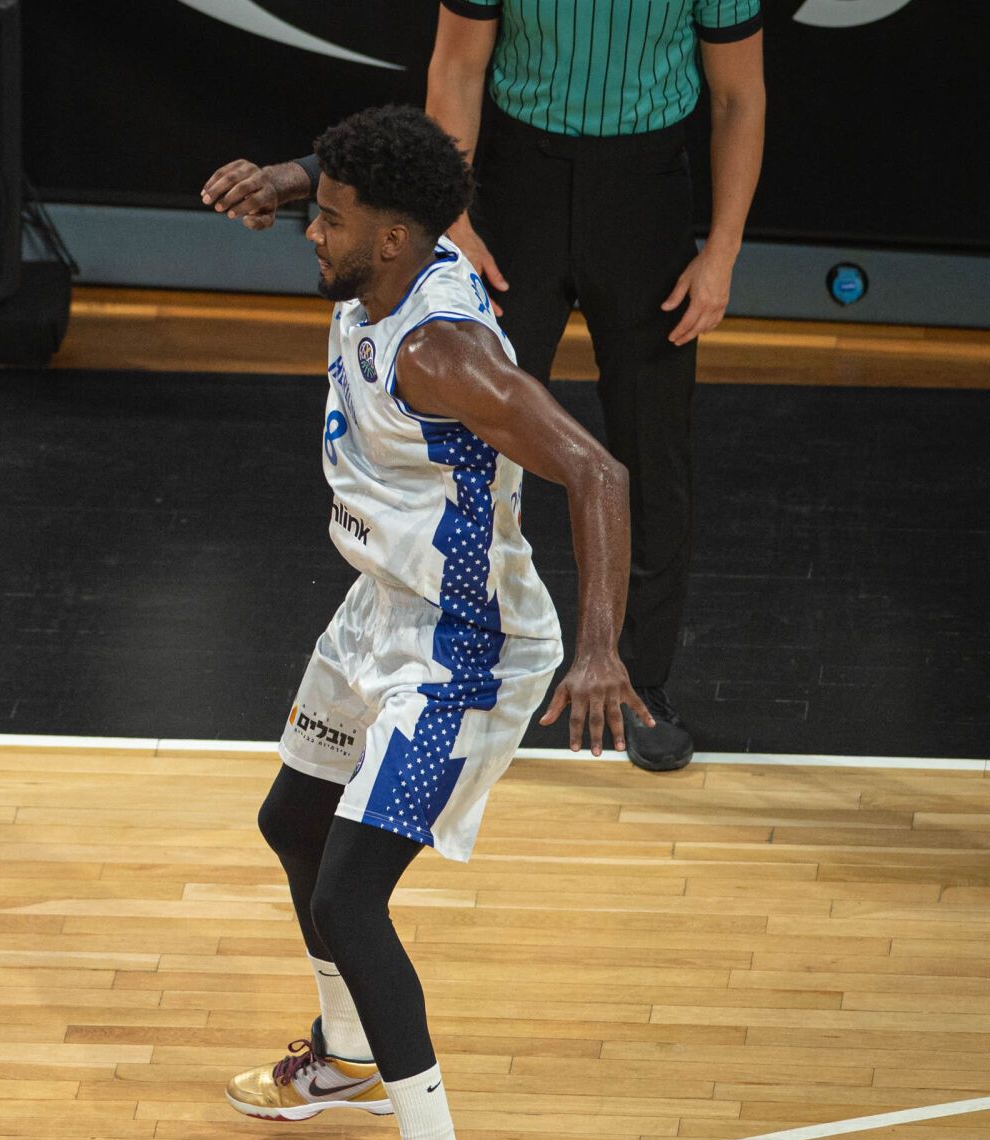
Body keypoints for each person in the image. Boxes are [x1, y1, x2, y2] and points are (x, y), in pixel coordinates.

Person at [216, 106, 648, 1140]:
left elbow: (598, 469)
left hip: (462, 643)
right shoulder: (384, 256)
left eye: (330, 218)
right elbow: (360, 168)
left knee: (354, 899)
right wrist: (289, 167)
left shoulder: (442, 353)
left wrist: (601, 649)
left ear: (397, 241)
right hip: (377, 606)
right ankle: (347, 1052)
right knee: (288, 822)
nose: (312, 229)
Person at [202, 0, 767, 773]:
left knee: (652, 452)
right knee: (473, 441)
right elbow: (459, 66)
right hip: (513, 185)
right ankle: (457, 669)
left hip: (645, 197)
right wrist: (456, 214)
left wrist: (724, 249)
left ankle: (637, 683)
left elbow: (739, 96)